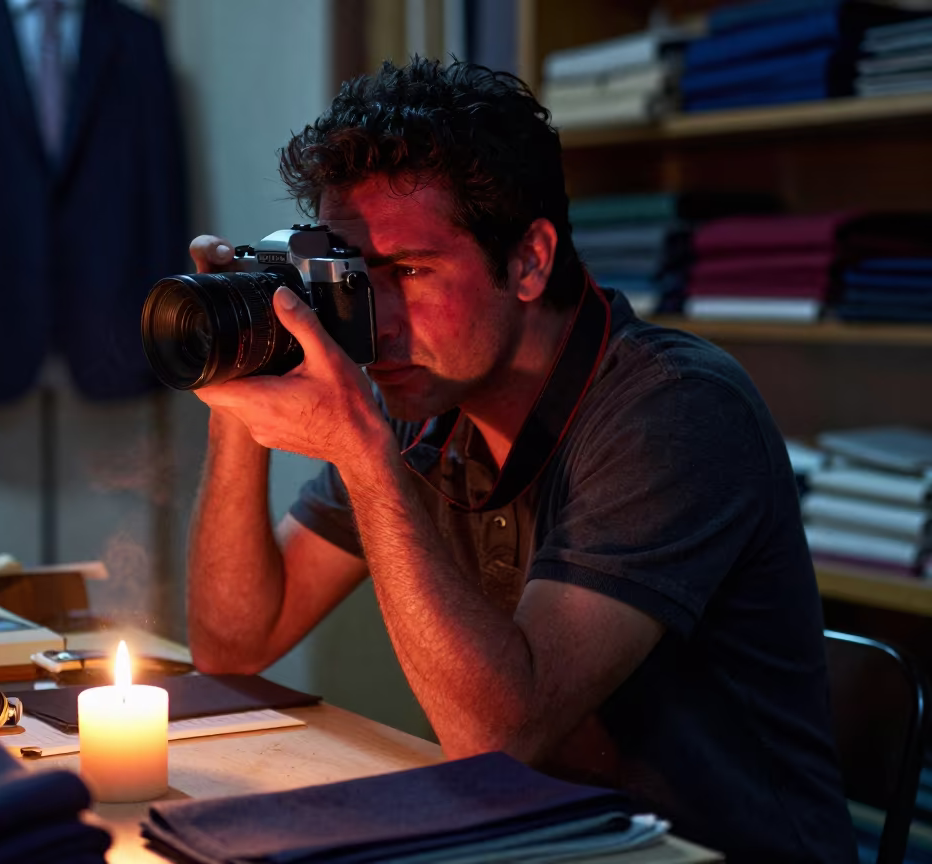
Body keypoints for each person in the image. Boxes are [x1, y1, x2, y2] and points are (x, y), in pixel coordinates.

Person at [182, 58, 856, 862]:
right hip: (540, 843)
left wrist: (362, 451)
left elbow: (496, 736)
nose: (380, 323)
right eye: (362, 279)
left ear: (530, 261)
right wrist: (242, 370)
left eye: (412, 271)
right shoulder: (423, 402)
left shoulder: (673, 410)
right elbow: (235, 644)